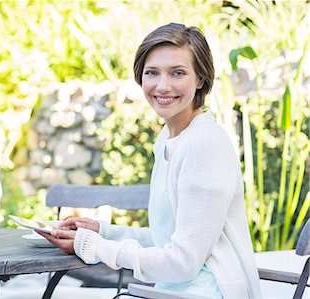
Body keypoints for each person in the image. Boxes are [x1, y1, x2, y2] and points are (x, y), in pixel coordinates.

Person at [38, 23, 262, 298]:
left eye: (178, 73)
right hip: (171, 292)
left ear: (201, 79)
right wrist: (103, 232)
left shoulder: (203, 144)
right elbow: (165, 239)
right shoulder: (169, 138)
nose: (162, 86)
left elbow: (182, 263)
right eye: (152, 73)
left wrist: (94, 247)